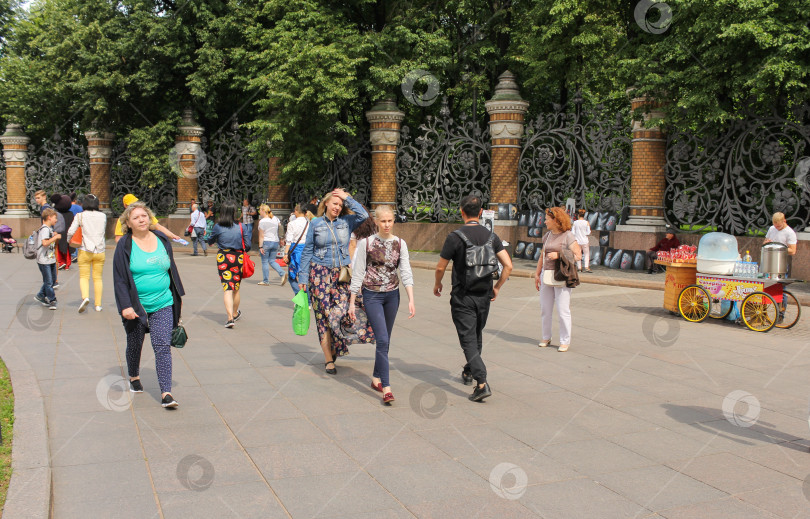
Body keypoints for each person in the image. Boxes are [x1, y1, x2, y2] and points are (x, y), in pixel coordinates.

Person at [433, 194, 513, 401]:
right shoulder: (491, 237)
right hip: (484, 295)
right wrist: (497, 287)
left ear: (461, 211)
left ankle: (482, 382)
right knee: (476, 334)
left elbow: (441, 266)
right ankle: (469, 371)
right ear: (479, 213)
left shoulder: (455, 237)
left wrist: (437, 283)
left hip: (462, 296)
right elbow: (508, 265)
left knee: (468, 339)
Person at [113, 201, 185, 408]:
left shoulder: (162, 240)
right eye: (136, 217)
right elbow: (119, 278)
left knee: (162, 346)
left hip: (163, 302)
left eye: (144, 215)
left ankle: (166, 393)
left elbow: (170, 270)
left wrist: (177, 298)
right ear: (128, 222)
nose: (141, 219)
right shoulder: (125, 245)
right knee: (135, 343)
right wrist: (125, 306)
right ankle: (134, 376)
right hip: (137, 306)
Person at [298, 188, 370, 374]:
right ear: (326, 204)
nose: (337, 207)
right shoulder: (315, 224)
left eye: (340, 204)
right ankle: (328, 358)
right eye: (335, 203)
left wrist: (347, 198)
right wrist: (303, 276)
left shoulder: (347, 222)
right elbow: (307, 250)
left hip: (341, 275)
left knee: (343, 312)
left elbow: (364, 214)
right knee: (322, 316)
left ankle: (334, 345)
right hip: (319, 274)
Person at [348, 205, 415, 404]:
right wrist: (352, 302)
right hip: (372, 296)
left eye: (390, 221)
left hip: (392, 296)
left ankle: (376, 378)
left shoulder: (400, 244)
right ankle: (386, 387)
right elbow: (358, 272)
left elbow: (406, 272)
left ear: (394, 221)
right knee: (383, 340)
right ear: (376, 221)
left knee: (384, 340)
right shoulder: (366, 243)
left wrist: (411, 298)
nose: (387, 225)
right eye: (383, 221)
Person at [535, 207, 582, 353]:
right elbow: (542, 255)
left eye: (547, 219)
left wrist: (559, 255)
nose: (545, 221)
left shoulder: (568, 236)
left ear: (556, 220)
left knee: (563, 310)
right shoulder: (547, 235)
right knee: (545, 309)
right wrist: (537, 274)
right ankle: (545, 337)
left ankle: (564, 340)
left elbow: (578, 256)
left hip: (561, 275)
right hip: (546, 274)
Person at [207, 200, 252, 328]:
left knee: (227, 288)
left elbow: (210, 240)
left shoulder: (217, 226)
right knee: (236, 288)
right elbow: (248, 246)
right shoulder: (241, 226)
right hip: (237, 258)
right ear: (234, 212)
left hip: (223, 258)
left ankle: (230, 318)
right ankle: (235, 312)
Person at [67, 194, 107, 313]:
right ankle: (98, 305)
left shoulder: (80, 216)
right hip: (100, 250)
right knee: (98, 278)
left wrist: (68, 241)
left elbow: (71, 231)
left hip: (85, 249)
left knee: (84, 276)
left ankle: (85, 297)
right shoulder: (103, 216)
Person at [114, 194, 180, 243]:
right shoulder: (122, 219)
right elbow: (118, 238)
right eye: (131, 205)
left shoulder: (146, 214)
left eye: (135, 203)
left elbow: (158, 226)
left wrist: (172, 236)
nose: (141, 220)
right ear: (125, 206)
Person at [34, 208, 60, 310]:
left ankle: (40, 295)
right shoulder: (44, 229)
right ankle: (52, 300)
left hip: (50, 259)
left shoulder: (49, 229)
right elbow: (45, 243)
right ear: (49, 217)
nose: (56, 220)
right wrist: (56, 237)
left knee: (52, 280)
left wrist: (54, 236)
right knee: (49, 282)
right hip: (44, 260)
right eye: (55, 218)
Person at [257, 204, 287, 286]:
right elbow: (280, 228)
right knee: (272, 261)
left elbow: (261, 236)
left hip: (266, 242)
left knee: (265, 261)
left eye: (260, 210)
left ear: (263, 211)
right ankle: (282, 273)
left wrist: (260, 246)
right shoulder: (275, 219)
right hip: (275, 242)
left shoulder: (262, 221)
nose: (259, 212)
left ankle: (266, 281)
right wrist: (281, 239)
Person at [284, 204, 310, 296]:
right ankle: (308, 300)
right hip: (307, 251)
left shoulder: (292, 224)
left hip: (295, 251)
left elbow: (289, 240)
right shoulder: (309, 223)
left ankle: (299, 295)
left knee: (292, 276)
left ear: (296, 211)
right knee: (305, 275)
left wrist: (286, 253)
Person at [54, 194, 75, 271]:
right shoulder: (70, 214)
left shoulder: (57, 214)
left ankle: (62, 262)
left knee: (60, 249)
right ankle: (67, 264)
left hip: (60, 233)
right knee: (67, 250)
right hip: (68, 233)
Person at [572, 209, 591, 273]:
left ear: (578, 215)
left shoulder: (575, 222)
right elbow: (588, 232)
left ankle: (579, 268)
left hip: (577, 241)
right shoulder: (586, 222)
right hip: (585, 240)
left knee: (578, 254)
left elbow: (573, 232)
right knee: (586, 254)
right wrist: (584, 234)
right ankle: (586, 267)